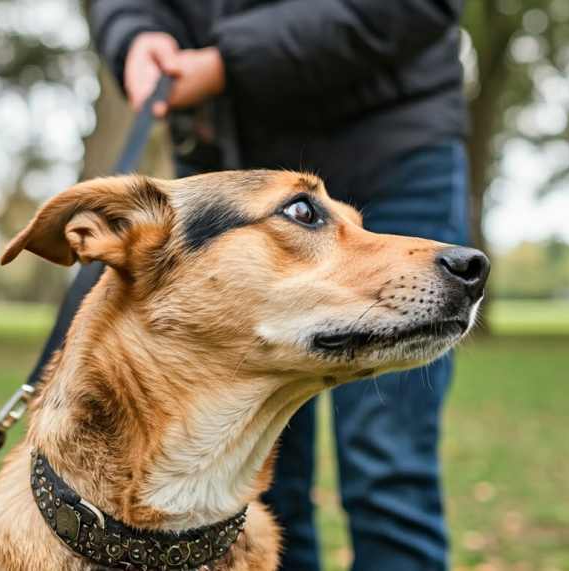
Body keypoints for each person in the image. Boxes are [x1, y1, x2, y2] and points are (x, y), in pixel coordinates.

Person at [91, 2, 468, 569]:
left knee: (389, 464)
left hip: (393, 141)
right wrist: (135, 34)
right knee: (261, 493)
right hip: (237, 153)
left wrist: (225, 62)